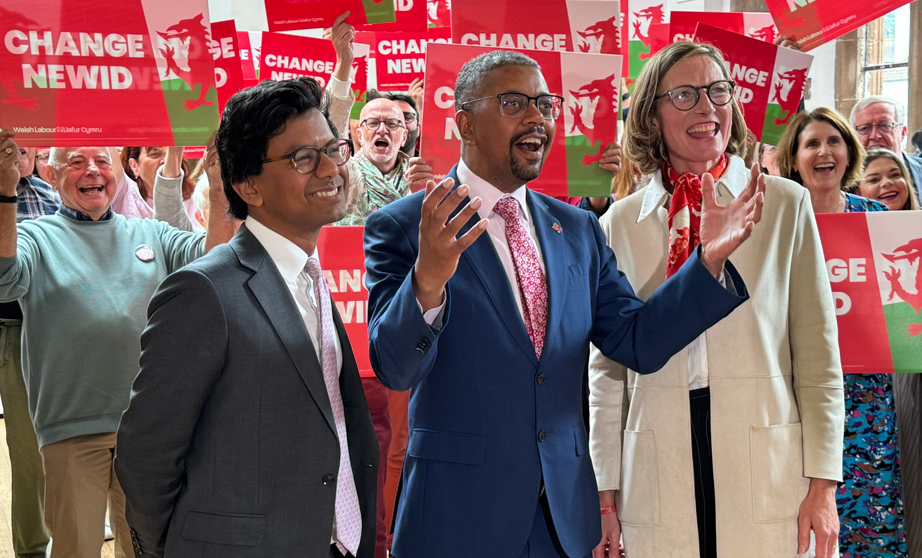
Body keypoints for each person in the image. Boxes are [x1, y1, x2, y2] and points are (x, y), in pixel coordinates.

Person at [363, 49, 763, 558]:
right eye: (513, 103)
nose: (537, 119)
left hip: (562, 523)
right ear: (464, 121)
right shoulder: (407, 225)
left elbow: (636, 342)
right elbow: (396, 368)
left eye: (545, 105)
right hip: (456, 518)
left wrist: (705, 263)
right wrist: (428, 281)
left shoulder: (577, 229)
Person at [590, 42, 844, 558]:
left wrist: (823, 485)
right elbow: (607, 372)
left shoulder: (784, 204)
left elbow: (818, 358)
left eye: (718, 90)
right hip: (656, 456)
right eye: (684, 95)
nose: (707, 107)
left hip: (768, 457)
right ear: (650, 115)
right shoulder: (619, 221)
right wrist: (605, 496)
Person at [115, 77, 378, 558]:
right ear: (248, 184)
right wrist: (168, 549)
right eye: (303, 158)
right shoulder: (203, 291)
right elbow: (147, 452)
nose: (330, 169)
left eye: (333, 149)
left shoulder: (312, 278)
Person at [0, 135, 235, 558]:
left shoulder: (149, 233)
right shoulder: (36, 236)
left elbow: (214, 260)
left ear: (118, 173)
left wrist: (218, 187)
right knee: (76, 548)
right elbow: (4, 279)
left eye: (101, 161)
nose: (92, 170)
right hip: (71, 427)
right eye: (76, 162)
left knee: (145, 548)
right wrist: (2, 191)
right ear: (50, 175)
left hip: (146, 429)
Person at [776, 108, 909, 557]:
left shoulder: (877, 219)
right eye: (811, 143)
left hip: (867, 399)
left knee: (871, 524)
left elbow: (904, 299)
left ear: (849, 152)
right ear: (794, 158)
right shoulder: (777, 223)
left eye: (833, 141)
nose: (823, 151)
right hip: (799, 393)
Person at [0, 144, 58, 558]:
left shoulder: (47, 192)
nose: (17, 156)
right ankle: (32, 550)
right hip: (14, 327)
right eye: (8, 148)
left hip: (55, 325)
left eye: (23, 149)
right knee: (27, 450)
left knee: (61, 444)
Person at [338, 98, 409, 226]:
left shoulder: (419, 176)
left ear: (404, 137)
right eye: (372, 123)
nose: (382, 130)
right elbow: (334, 120)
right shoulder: (344, 172)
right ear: (360, 135)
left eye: (392, 124)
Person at [849, 96, 922, 198]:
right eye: (864, 128)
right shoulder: (843, 181)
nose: (874, 136)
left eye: (885, 126)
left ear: (902, 132)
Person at [120, 146, 202, 228]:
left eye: (171, 155)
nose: (166, 161)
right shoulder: (123, 195)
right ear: (134, 166)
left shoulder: (199, 197)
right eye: (154, 154)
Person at [366, 90, 419, 157]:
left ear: (419, 129)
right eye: (392, 118)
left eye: (407, 117)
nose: (400, 123)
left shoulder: (433, 165)